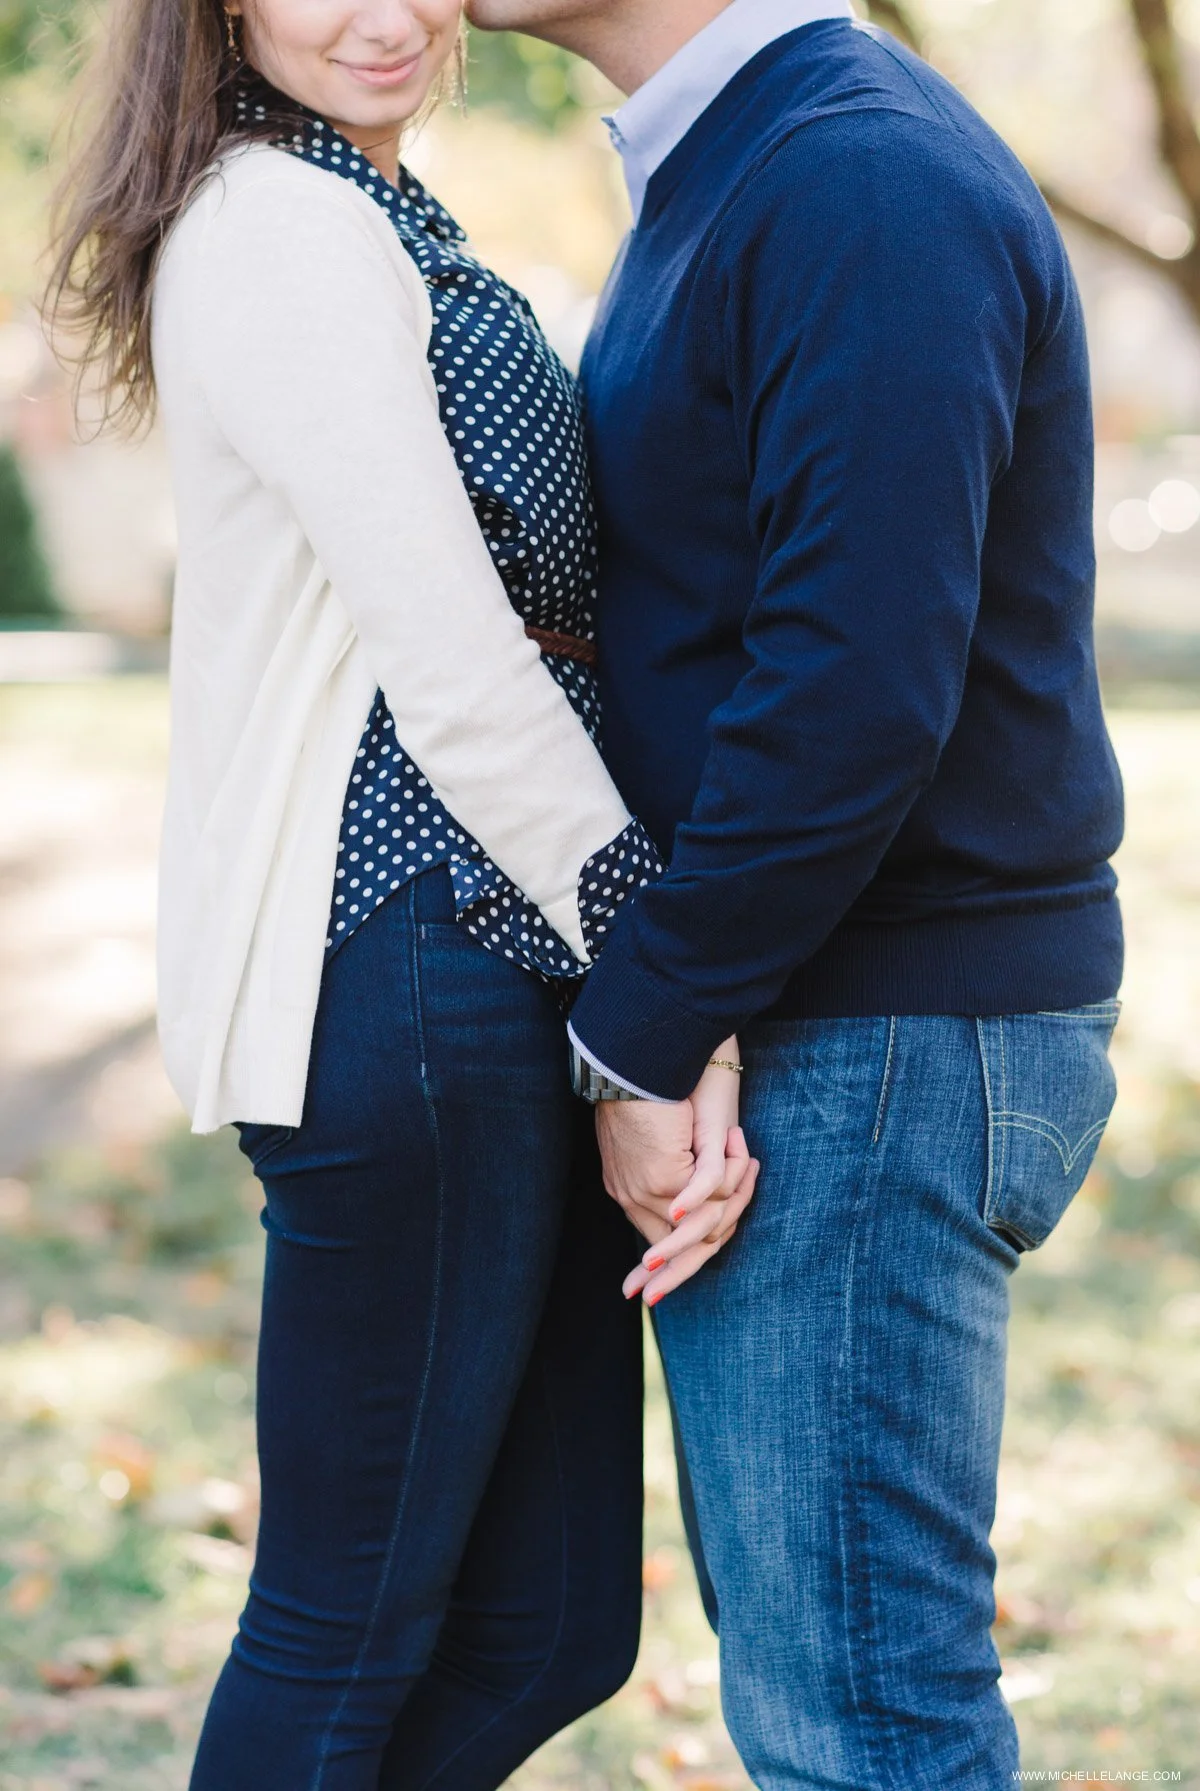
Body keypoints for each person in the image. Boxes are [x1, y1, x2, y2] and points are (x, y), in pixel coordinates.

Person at [45, 2, 761, 1785]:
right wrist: (667, 967)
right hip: (413, 961)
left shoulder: (376, 207)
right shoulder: (273, 223)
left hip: (507, 964)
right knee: (342, 1624)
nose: (385, 14)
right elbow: (452, 653)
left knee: (555, 1618)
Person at [464, 0, 1126, 1784]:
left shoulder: (855, 178)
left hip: (883, 1031)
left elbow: (853, 688)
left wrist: (646, 1029)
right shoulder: (742, 162)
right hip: (837, 1015)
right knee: (834, 1707)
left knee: (865, 1725)